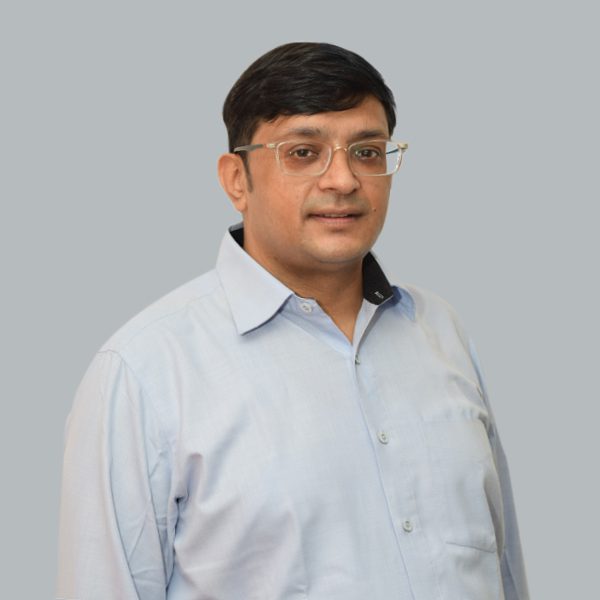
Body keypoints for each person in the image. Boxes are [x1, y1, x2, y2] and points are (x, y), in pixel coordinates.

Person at [56, 42, 529, 600]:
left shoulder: (439, 332)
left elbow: (503, 570)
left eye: (367, 152)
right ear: (236, 179)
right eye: (304, 152)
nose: (343, 180)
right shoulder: (146, 371)